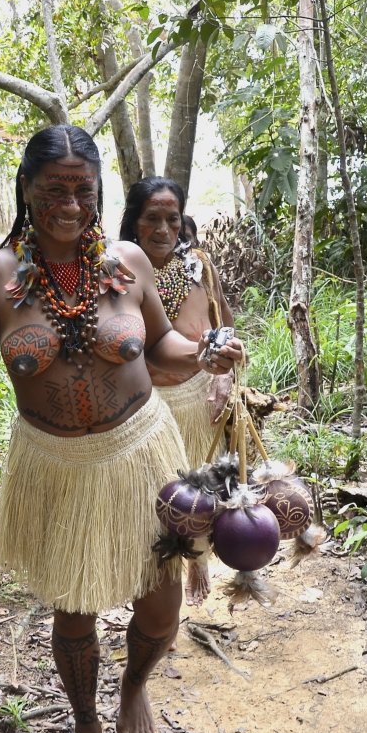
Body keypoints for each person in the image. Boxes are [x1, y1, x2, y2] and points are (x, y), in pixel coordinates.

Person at [0, 126, 243, 733]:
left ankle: (135, 683)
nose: (71, 204)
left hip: (141, 452)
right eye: (55, 189)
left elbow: (164, 346)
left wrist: (203, 352)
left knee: (160, 604)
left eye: (84, 190)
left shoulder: (127, 261)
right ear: (26, 190)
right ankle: (86, 719)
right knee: (75, 607)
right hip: (54, 466)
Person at [119, 178, 236, 607]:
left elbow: (224, 324)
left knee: (203, 487)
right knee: (160, 499)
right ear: (134, 220)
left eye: (172, 219)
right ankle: (160, 573)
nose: (164, 229)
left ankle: (199, 557)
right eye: (152, 218)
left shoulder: (199, 267)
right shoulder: (117, 273)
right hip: (147, 408)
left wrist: (224, 377)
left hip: (198, 400)